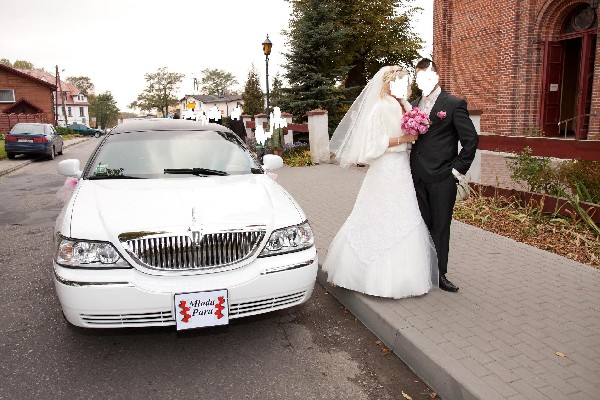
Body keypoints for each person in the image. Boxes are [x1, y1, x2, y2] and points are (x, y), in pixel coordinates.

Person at [322, 66, 438, 299]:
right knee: (379, 215)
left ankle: (405, 276)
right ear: (391, 83)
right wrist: (405, 138)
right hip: (386, 168)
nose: (406, 86)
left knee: (404, 216)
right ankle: (369, 275)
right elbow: (373, 145)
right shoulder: (381, 107)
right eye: (403, 82)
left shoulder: (403, 104)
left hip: (402, 169)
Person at [410, 58, 479, 292]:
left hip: (442, 177)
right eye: (419, 76)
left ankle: (440, 274)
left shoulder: (453, 103)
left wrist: (456, 170)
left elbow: (471, 140)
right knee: (422, 225)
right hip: (416, 176)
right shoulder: (412, 104)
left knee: (440, 227)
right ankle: (422, 270)